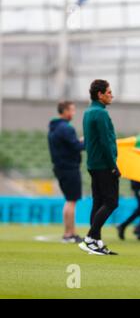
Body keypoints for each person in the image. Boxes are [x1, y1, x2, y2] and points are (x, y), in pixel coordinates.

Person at [78, 79, 120, 256]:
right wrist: (113, 166)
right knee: (111, 202)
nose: (111, 95)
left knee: (98, 202)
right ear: (100, 94)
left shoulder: (88, 112)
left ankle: (96, 242)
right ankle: (89, 238)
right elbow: (104, 141)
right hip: (104, 164)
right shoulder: (101, 113)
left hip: (93, 163)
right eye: (108, 92)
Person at [48, 101, 85, 243]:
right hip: (69, 167)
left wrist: (78, 142)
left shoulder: (54, 127)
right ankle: (69, 234)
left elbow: (69, 145)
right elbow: (76, 146)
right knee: (71, 201)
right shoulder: (66, 128)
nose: (73, 113)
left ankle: (69, 233)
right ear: (64, 111)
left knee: (69, 201)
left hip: (60, 167)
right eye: (72, 110)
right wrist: (86, 142)